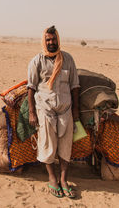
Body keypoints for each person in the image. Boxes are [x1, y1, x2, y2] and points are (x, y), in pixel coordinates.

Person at [27, 25, 80, 198]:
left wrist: (76, 111)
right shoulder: (37, 61)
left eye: (53, 39)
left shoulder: (68, 59)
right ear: (44, 41)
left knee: (66, 146)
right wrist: (32, 113)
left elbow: (75, 86)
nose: (51, 42)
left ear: (58, 39)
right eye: (48, 39)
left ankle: (64, 179)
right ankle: (52, 178)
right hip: (45, 109)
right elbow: (31, 88)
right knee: (47, 145)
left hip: (65, 109)